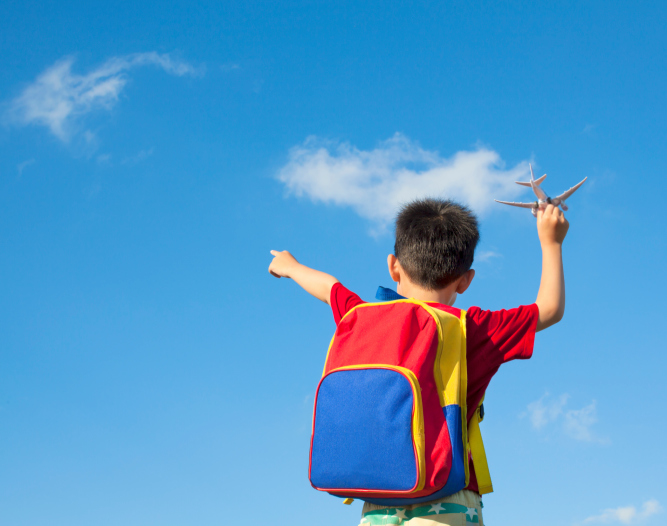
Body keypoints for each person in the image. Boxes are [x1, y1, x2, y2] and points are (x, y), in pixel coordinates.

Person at [268, 198, 569, 526]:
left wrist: (290, 266)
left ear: (393, 266)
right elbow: (549, 308)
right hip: (450, 496)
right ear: (466, 280)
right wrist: (550, 241)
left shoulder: (361, 318)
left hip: (377, 500)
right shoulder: (473, 328)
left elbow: (330, 288)